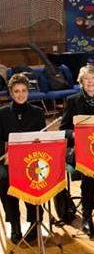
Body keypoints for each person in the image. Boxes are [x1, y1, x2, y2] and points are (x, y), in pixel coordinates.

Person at [58, 65, 94, 236]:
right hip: (80, 150)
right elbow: (63, 130)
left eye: (93, 78)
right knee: (89, 174)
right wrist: (75, 133)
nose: (90, 82)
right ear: (81, 81)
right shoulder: (72, 101)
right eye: (86, 79)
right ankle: (87, 216)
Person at [0, 73, 45, 243]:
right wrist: (5, 154)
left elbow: (43, 140)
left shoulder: (38, 112)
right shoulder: (2, 113)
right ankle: (15, 224)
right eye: (16, 91)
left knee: (33, 176)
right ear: (11, 93)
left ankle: (34, 221)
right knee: (4, 179)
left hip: (32, 160)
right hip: (7, 160)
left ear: (28, 91)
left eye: (24, 90)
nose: (20, 94)